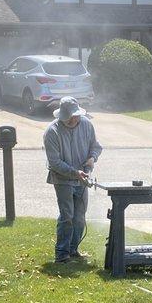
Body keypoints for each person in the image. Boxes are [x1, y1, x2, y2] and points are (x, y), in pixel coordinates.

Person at [44, 96, 102, 263]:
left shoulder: (86, 124)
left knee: (80, 217)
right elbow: (54, 162)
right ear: (62, 116)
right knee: (67, 216)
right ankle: (61, 254)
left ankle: (73, 249)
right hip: (62, 180)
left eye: (76, 116)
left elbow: (95, 147)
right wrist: (75, 172)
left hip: (82, 179)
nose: (75, 120)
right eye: (71, 117)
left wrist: (92, 157)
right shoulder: (51, 132)